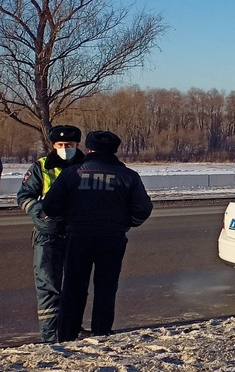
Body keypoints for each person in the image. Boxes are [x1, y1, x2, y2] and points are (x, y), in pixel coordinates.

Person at [42, 130, 152, 342]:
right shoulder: (129, 176)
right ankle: (101, 332)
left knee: (73, 286)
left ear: (89, 149)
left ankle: (67, 335)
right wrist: (128, 224)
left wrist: (65, 220)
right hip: (113, 237)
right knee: (106, 287)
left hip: (78, 236)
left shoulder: (72, 173)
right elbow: (143, 209)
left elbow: (50, 206)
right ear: (114, 150)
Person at [16, 125, 85, 343]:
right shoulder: (42, 166)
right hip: (48, 234)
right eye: (61, 145)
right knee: (48, 287)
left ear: (77, 145)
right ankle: (49, 336)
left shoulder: (87, 166)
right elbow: (24, 196)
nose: (65, 148)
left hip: (77, 234)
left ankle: (73, 330)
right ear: (53, 145)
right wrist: (41, 214)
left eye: (70, 145)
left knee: (75, 287)